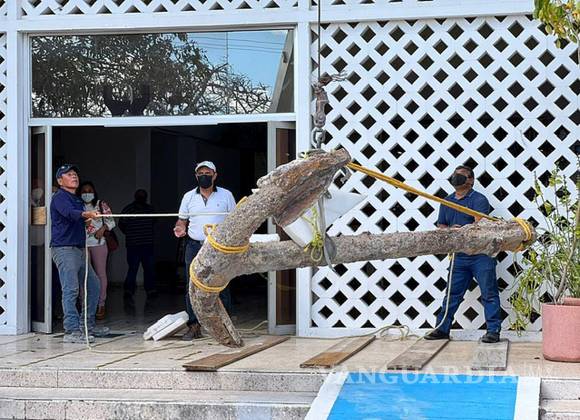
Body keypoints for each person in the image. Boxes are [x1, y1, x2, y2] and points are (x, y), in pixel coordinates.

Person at [425, 165, 501, 344]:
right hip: (459, 256)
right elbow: (441, 225)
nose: (456, 177)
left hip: (481, 255)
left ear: (471, 180)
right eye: (455, 175)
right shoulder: (447, 201)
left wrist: (463, 230)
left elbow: (480, 224)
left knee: (489, 293)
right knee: (451, 294)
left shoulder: (479, 199)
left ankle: (493, 331)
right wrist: (451, 230)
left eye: (461, 175)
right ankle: (442, 328)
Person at [174, 161, 236, 340]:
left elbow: (234, 220)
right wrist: (179, 228)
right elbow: (182, 220)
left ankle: (225, 326)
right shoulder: (188, 197)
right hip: (194, 246)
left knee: (221, 284)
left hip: (218, 247)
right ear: (196, 176)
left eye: (207, 173)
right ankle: (194, 326)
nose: (204, 176)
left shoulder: (226, 195)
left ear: (215, 175)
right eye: (200, 173)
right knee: (192, 286)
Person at [50, 164, 108, 343]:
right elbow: (70, 214)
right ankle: (72, 331)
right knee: (71, 289)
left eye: (75, 173)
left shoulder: (76, 199)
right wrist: (85, 214)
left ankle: (86, 326)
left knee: (94, 286)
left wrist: (87, 221)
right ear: (60, 181)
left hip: (79, 248)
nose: (74, 176)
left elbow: (77, 218)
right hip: (64, 248)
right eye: (68, 174)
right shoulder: (59, 197)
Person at [78, 181, 116, 320]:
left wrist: (103, 229)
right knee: (83, 275)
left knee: (100, 274)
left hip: (99, 243)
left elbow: (111, 221)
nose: (87, 193)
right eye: (84, 191)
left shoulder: (101, 205)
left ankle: (101, 304)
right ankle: (84, 305)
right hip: (82, 244)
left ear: (94, 192)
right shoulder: (77, 205)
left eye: (90, 191)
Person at [118, 189, 157, 301]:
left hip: (146, 244)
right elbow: (121, 224)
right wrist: (130, 234)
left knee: (149, 268)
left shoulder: (150, 210)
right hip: (134, 245)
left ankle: (150, 290)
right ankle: (129, 291)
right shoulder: (128, 209)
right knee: (133, 268)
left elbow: (154, 222)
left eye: (142, 196)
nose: (141, 198)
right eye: (140, 196)